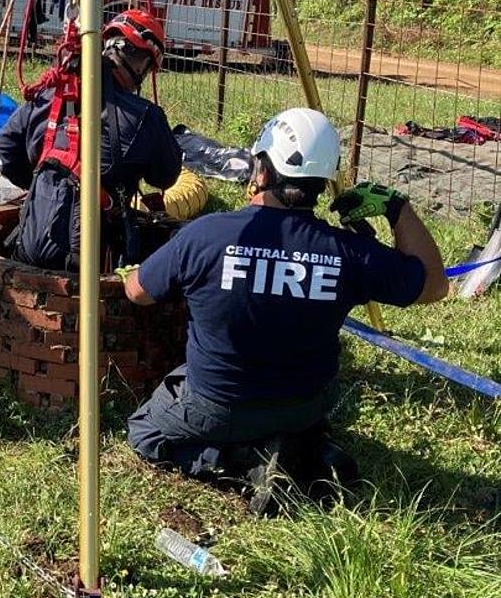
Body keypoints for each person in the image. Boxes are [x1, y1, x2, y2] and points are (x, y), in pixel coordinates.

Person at [123, 107, 449, 506]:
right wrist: (397, 208)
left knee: (145, 432)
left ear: (262, 171)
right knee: (288, 406)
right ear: (323, 182)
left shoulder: (206, 234)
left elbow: (137, 292)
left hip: (216, 404)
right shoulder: (349, 252)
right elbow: (434, 285)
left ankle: (242, 461)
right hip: (305, 404)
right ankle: (301, 448)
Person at [0, 9, 183, 271]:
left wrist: (46, 186)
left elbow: (6, 145)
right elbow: (165, 176)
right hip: (89, 261)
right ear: (140, 62)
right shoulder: (144, 116)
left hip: (27, 244)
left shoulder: (53, 92)